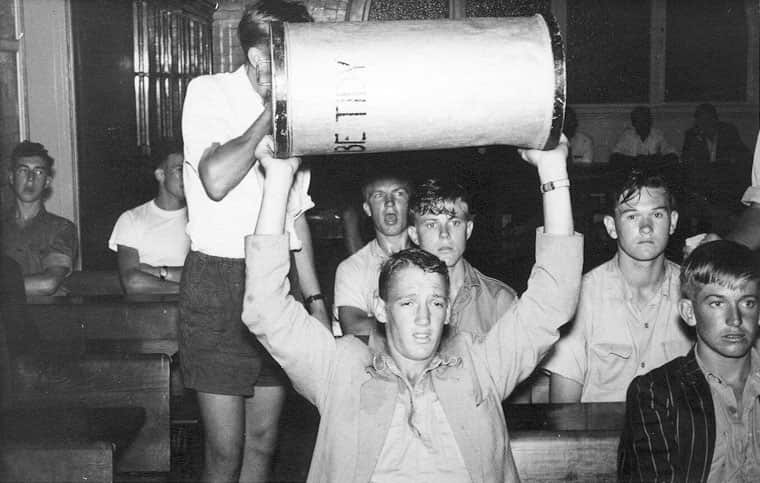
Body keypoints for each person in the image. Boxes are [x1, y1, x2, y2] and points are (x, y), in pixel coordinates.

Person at [242, 133, 582, 482]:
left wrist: (554, 171)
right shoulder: (340, 370)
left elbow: (552, 298)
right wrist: (279, 178)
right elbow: (266, 308)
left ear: (448, 310)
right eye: (407, 302)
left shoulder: (481, 366)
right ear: (381, 308)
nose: (424, 318)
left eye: (435, 302)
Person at [179, 1, 329, 481]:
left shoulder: (301, 112)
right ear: (259, 58)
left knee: (263, 443)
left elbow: (295, 216)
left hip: (274, 278)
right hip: (216, 280)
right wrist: (272, 109)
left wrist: (316, 301)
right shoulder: (208, 92)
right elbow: (216, 179)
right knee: (225, 450)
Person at [544, 169, 693, 402]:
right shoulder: (581, 298)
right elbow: (563, 412)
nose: (646, 228)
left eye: (657, 215)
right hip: (603, 437)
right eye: (632, 216)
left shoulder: (695, 292)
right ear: (611, 227)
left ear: (672, 222)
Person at [618, 240, 760, 482]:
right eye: (717, 303)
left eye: (747, 303)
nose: (735, 319)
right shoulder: (657, 393)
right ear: (689, 312)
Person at [408, 178, 517, 337]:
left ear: (468, 229)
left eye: (454, 223)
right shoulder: (397, 299)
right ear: (414, 235)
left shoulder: (499, 301)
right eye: (432, 224)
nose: (444, 234)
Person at [333, 170, 412, 339]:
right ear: (367, 209)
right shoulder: (351, 268)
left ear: (410, 204)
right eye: (379, 195)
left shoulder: (433, 259)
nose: (389, 203)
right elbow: (354, 327)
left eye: (398, 194)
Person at [108, 141, 189, 294]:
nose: (187, 177)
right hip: (146, 312)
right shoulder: (132, 219)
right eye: (180, 170)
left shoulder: (201, 220)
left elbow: (206, 277)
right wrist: (187, 292)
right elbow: (133, 282)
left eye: (191, 171)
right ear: (160, 175)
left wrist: (156, 271)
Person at [1, 140, 77, 296]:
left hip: (43, 316)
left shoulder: (61, 228)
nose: (30, 179)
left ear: (47, 182)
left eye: (38, 172)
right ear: (11, 177)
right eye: (23, 170)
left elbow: (48, 283)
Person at [610, 106, 678, 167]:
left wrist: (653, 160)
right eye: (638, 121)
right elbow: (613, 158)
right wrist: (636, 160)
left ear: (650, 121)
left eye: (645, 120)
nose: (642, 124)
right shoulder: (627, 135)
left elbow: (673, 156)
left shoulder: (658, 135)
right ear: (633, 123)